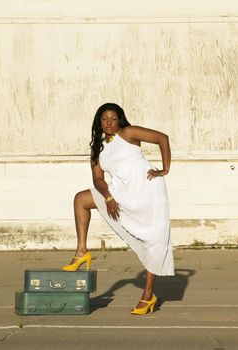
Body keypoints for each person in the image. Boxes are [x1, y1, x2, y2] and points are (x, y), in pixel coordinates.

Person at [62, 102, 175, 315]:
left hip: (147, 188)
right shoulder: (98, 147)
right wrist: (107, 197)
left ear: (120, 119)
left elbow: (163, 138)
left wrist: (165, 169)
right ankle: (81, 252)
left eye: (113, 118)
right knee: (81, 200)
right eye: (105, 119)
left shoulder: (128, 133)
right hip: (119, 191)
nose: (109, 123)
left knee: (152, 239)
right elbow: (98, 179)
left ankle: (148, 295)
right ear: (99, 121)